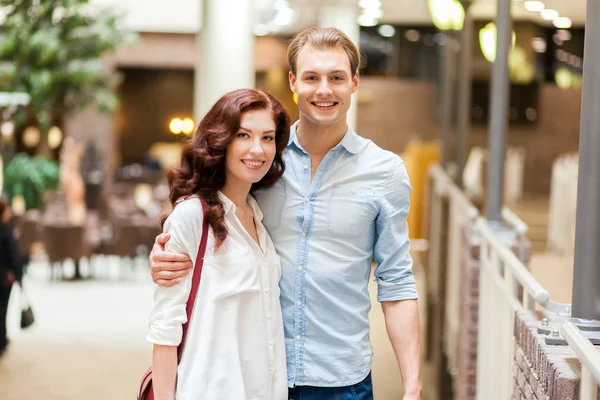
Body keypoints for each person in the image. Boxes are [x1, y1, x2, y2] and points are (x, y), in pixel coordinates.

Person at [150, 27, 422, 400]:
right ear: (293, 82)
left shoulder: (385, 172)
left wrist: (412, 385)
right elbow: (209, 209)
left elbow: (397, 282)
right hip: (260, 377)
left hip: (341, 380)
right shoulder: (263, 161)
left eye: (336, 78)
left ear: (355, 83)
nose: (323, 90)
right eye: (311, 77)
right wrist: (166, 251)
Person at [147, 88, 291, 400]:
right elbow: (165, 328)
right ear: (221, 140)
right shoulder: (191, 216)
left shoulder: (258, 215)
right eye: (243, 135)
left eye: (267, 138)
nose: (258, 149)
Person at [0, 199, 23, 356]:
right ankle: (1, 339)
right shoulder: (6, 230)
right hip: (3, 279)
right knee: (2, 309)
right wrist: (19, 276)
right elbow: (13, 255)